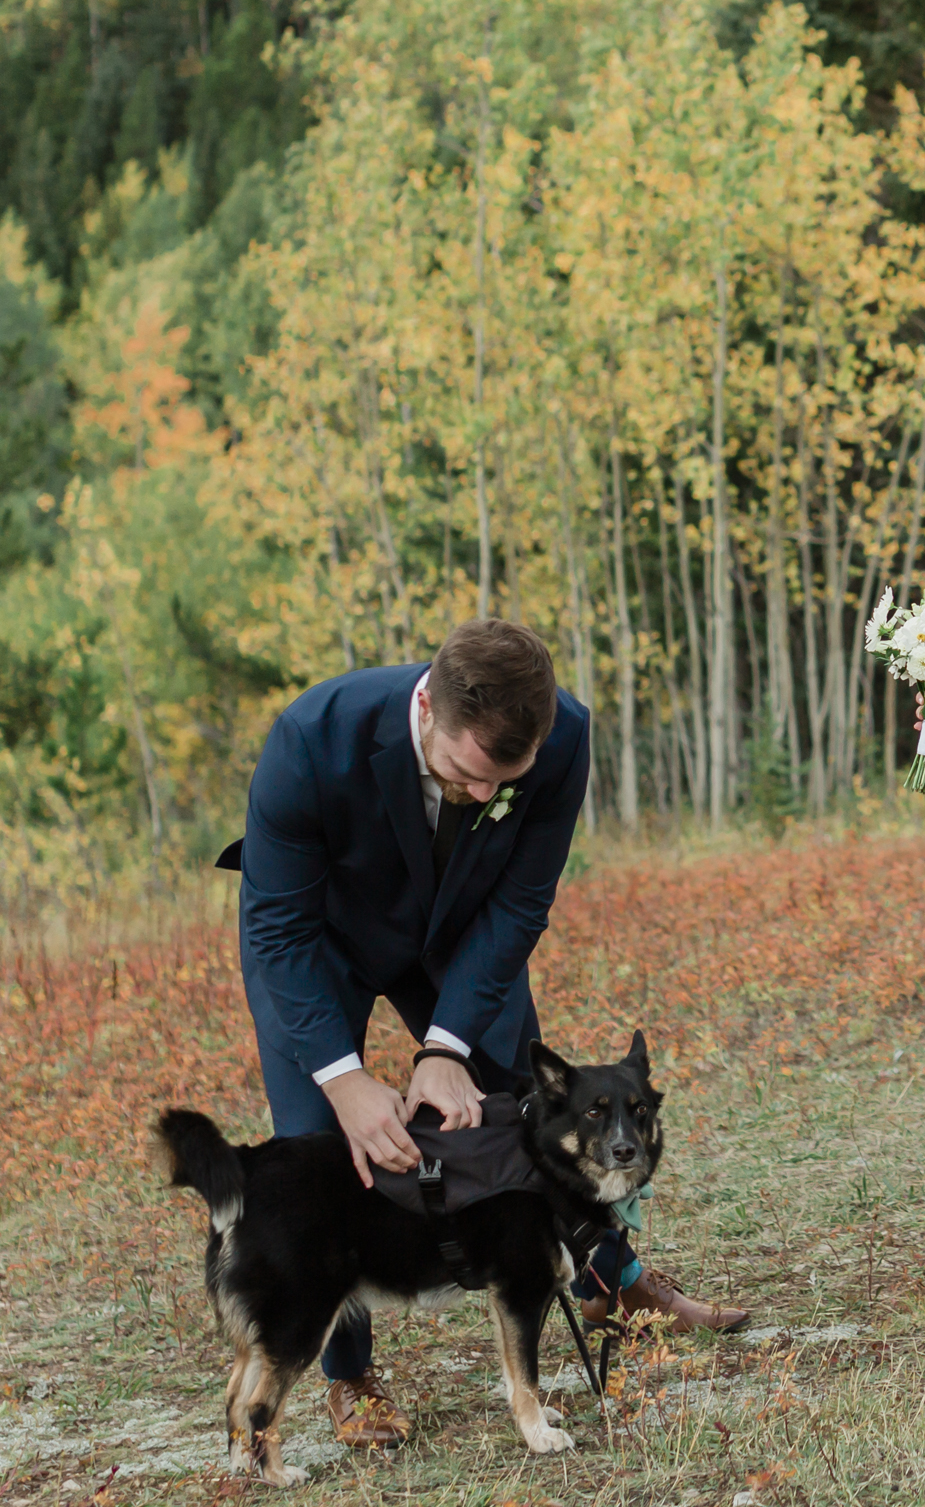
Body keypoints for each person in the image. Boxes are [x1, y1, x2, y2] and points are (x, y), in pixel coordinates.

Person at [224, 618, 746, 1452]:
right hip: (324, 947)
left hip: (464, 944)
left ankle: (615, 1281)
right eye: (463, 775)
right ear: (426, 707)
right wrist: (346, 1078)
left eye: (498, 782)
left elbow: (518, 904)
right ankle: (348, 1374)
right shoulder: (310, 739)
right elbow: (277, 933)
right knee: (319, 1150)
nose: (476, 795)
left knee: (533, 1113)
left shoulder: (565, 735)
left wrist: (444, 1047)